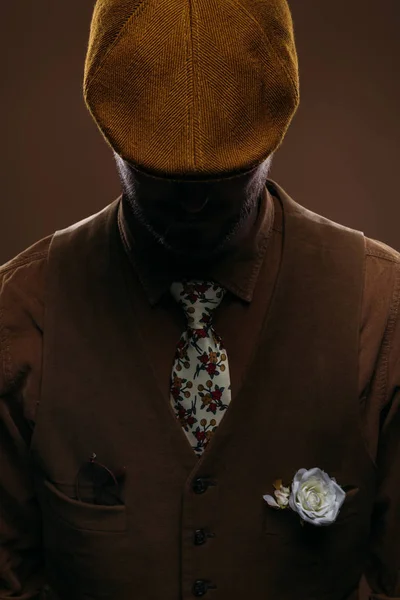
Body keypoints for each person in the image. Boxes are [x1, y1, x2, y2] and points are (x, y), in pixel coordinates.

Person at [0, 0, 399, 598]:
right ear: (109, 134)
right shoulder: (20, 312)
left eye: (223, 179)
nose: (191, 206)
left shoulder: (382, 306)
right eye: (160, 178)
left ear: (276, 135)